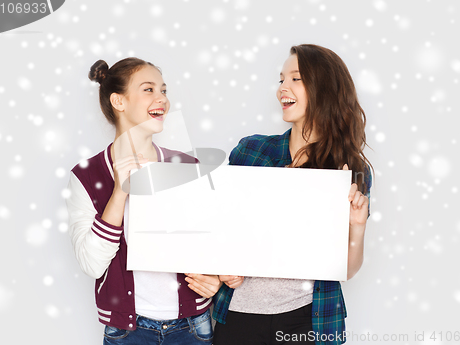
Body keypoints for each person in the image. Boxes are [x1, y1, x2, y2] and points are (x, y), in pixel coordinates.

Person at [212, 44, 373, 345]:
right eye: (281, 79)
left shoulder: (349, 169)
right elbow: (220, 230)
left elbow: (346, 269)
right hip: (238, 315)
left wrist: (358, 226)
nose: (282, 89)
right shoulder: (251, 150)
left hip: (308, 318)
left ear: (324, 88)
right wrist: (222, 268)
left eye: (295, 79)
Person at [65, 57, 222, 344]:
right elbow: (92, 264)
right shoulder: (87, 176)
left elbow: (213, 243)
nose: (162, 99)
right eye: (149, 89)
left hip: (193, 326)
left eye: (163, 90)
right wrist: (119, 192)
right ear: (119, 101)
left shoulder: (188, 166)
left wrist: (217, 279)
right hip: (128, 331)